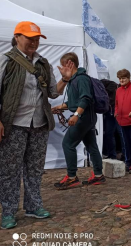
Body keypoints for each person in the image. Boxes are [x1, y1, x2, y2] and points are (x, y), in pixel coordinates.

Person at [0, 21, 69, 229]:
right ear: (17, 37)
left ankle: (33, 206)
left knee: (35, 168)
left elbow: (52, 94)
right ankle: (9, 212)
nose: (34, 42)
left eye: (37, 38)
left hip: (39, 124)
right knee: (10, 170)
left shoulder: (43, 64)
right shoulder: (7, 61)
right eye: (30, 37)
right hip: (14, 124)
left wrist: (65, 79)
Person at [52, 52, 105, 189]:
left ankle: (72, 177)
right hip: (87, 117)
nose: (62, 69)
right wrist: (60, 107)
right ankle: (99, 175)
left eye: (63, 65)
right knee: (91, 145)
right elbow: (74, 101)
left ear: (70, 64)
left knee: (68, 144)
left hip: (84, 117)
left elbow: (85, 98)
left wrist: (76, 115)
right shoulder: (73, 79)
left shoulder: (80, 79)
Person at [101, 79, 119, 159]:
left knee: (110, 134)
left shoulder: (107, 89)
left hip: (112, 114)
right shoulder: (113, 88)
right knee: (111, 135)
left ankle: (112, 154)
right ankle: (112, 154)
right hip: (111, 113)